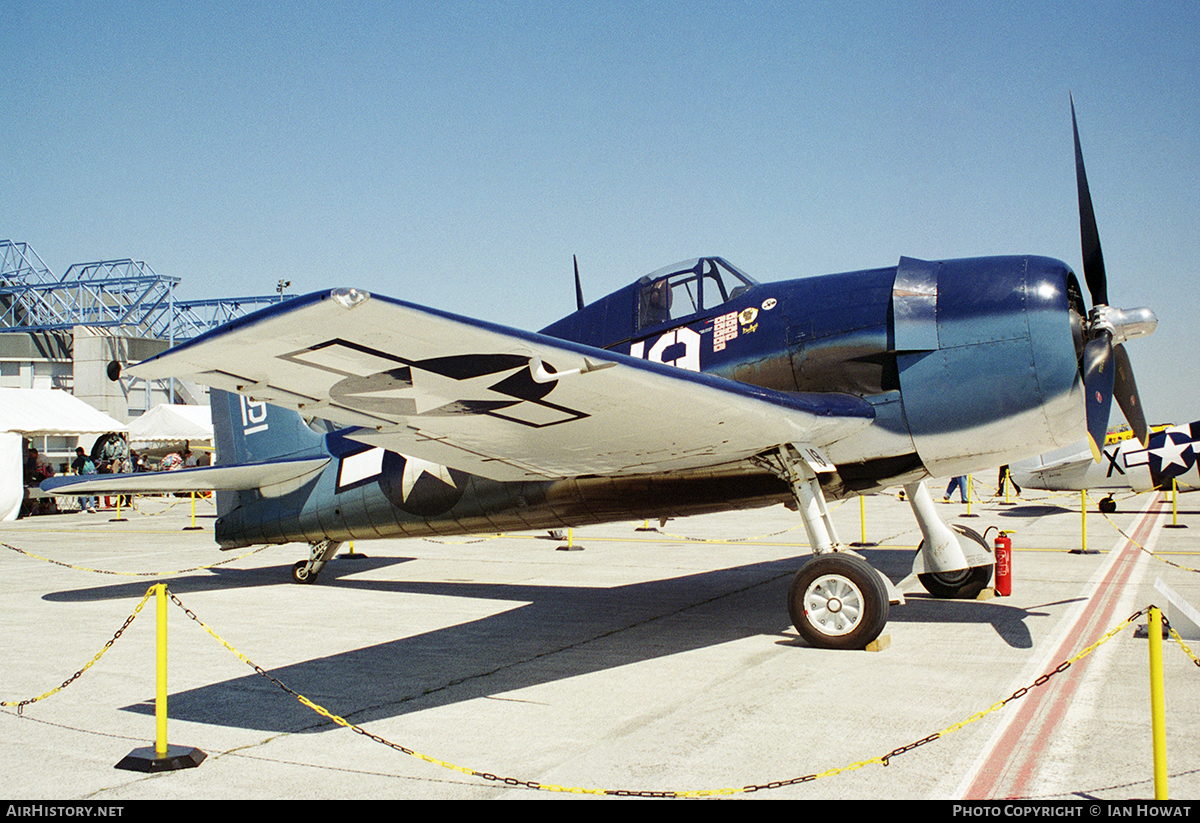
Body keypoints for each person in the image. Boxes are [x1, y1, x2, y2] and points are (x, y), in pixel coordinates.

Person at [71, 447, 97, 513]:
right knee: (91, 492)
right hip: (91, 476)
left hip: (83, 477)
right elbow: (99, 462)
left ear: (79, 452)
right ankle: (92, 506)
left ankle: (84, 508)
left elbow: (73, 467)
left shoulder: (79, 459)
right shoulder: (89, 458)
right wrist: (93, 470)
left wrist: (76, 474)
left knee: (83, 492)